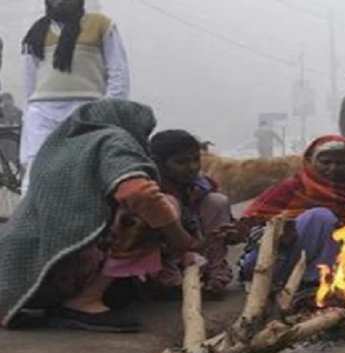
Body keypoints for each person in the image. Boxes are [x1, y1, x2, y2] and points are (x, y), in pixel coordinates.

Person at [0, 99, 200, 333]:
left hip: (21, 277)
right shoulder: (113, 139)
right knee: (152, 208)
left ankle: (83, 298)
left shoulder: (62, 145)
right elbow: (139, 192)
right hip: (61, 267)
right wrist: (181, 240)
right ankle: (83, 302)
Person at [240, 134, 345, 291]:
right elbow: (253, 218)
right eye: (326, 162)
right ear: (311, 162)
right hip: (285, 258)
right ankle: (310, 281)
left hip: (340, 259)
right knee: (321, 217)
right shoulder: (294, 187)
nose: (333, 168)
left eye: (340, 163)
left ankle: (335, 281)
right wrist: (271, 231)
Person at [20, 0, 130, 193]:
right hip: (42, 111)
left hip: (86, 109)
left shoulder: (101, 24)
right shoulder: (36, 31)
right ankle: (31, 219)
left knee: (85, 170)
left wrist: (110, 108)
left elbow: (118, 70)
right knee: (36, 170)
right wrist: (29, 111)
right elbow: (30, 79)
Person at [148, 130, 240, 297]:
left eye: (196, 160)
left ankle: (214, 274)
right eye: (181, 162)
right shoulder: (150, 190)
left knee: (217, 201)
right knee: (167, 204)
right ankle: (168, 282)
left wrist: (235, 233)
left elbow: (227, 231)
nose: (192, 167)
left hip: (197, 250)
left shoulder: (202, 185)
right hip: (165, 256)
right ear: (158, 163)